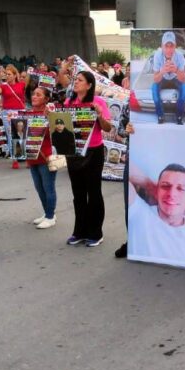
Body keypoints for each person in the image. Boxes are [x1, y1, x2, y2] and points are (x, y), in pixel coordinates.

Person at [65, 70, 113, 247]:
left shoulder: (98, 101)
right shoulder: (69, 102)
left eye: (80, 80)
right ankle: (79, 231)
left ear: (89, 85)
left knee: (93, 192)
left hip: (93, 151)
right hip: (74, 153)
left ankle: (95, 232)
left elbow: (107, 128)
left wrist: (99, 114)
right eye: (75, 79)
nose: (76, 82)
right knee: (78, 194)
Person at [127, 163, 185, 263]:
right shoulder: (139, 211)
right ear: (157, 191)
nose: (171, 194)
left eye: (180, 188)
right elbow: (125, 167)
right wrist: (149, 185)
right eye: (165, 186)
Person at [26, 86, 57, 229]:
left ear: (46, 99)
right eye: (33, 94)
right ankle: (47, 213)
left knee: (48, 187)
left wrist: (49, 117)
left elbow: (58, 132)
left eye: (38, 95)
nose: (34, 96)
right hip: (32, 155)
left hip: (47, 155)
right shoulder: (28, 113)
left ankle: (50, 217)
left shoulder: (51, 113)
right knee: (39, 187)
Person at [149, 31, 185, 125]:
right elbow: (155, 79)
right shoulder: (157, 55)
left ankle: (179, 115)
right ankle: (160, 115)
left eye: (171, 46)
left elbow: (183, 79)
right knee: (154, 89)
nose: (169, 49)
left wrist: (176, 70)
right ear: (162, 46)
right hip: (162, 78)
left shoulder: (180, 56)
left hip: (175, 78)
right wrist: (162, 71)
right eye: (166, 46)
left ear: (175, 46)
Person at [0, 65, 26, 170]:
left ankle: (24, 156)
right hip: (7, 113)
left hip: (20, 111)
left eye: (9, 74)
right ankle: (14, 159)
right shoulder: (3, 86)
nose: (7, 76)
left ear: (15, 75)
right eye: (6, 74)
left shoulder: (22, 84)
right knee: (11, 135)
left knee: (21, 134)